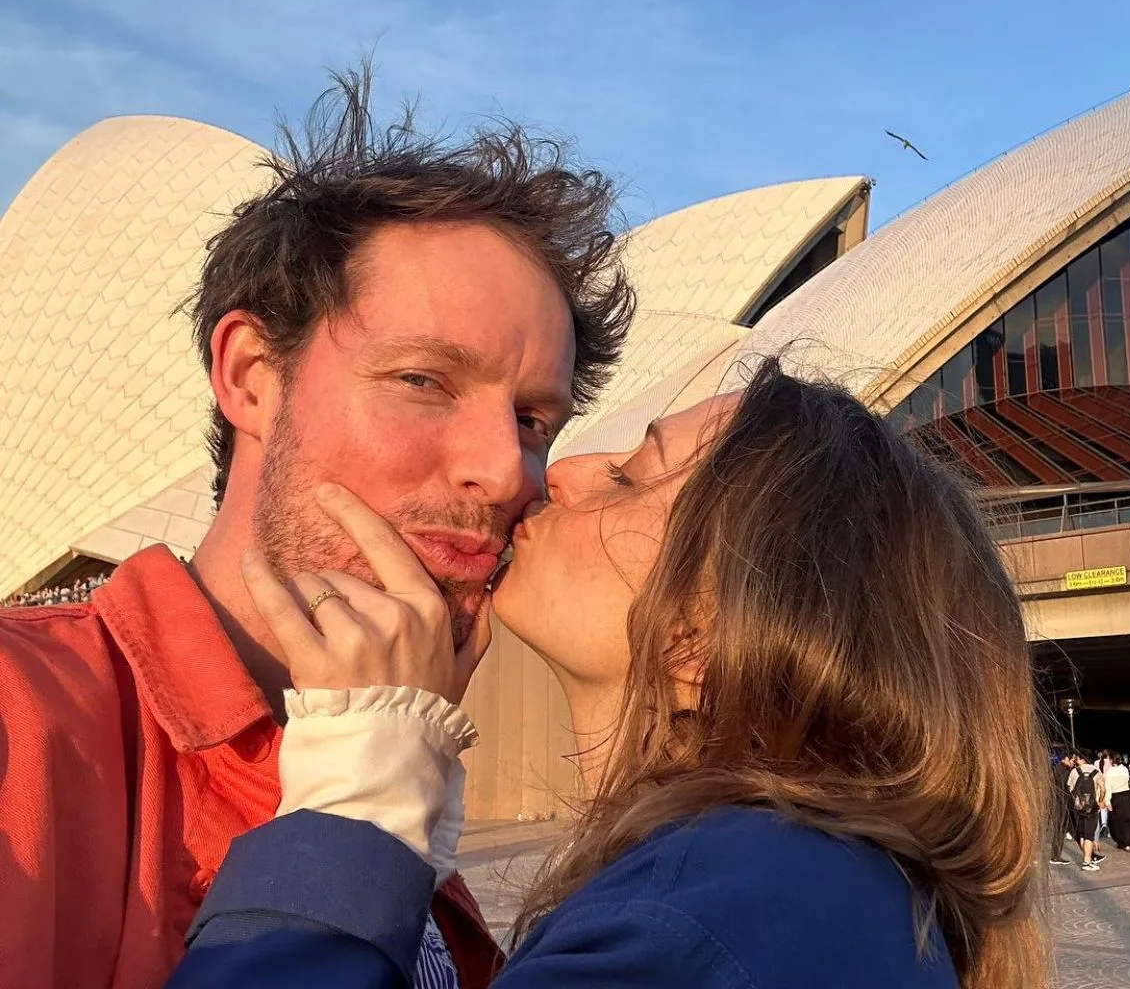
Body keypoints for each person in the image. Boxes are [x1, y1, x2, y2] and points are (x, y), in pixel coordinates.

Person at [0, 70, 635, 989]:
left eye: (535, 419)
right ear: (252, 376)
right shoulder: (26, 722)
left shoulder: (415, 785)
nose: (504, 472)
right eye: (423, 381)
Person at [166, 361, 1051, 987]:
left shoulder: (709, 922)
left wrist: (357, 800)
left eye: (631, 477)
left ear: (703, 642)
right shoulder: (821, 895)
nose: (560, 471)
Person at [1068, 749, 1107, 873]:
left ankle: (1086, 856)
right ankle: (1087, 861)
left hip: (1078, 807)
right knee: (1089, 835)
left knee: (1082, 834)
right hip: (1092, 807)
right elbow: (1103, 788)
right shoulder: (1096, 771)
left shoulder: (1074, 772)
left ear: (1082, 759)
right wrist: (1101, 800)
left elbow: (1070, 788)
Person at [1102, 750, 1130, 852]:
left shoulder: (1110, 772)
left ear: (1111, 760)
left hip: (1116, 798)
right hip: (1127, 796)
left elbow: (1108, 788)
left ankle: (1123, 842)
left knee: (1118, 822)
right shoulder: (1125, 769)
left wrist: (1107, 801)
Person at [1050, 750, 1078, 865]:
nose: (1074, 763)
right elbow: (1064, 787)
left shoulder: (1062, 769)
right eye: (1073, 760)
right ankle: (1055, 856)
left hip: (1063, 804)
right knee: (1060, 829)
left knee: (1068, 829)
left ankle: (1089, 855)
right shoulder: (1061, 770)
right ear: (1066, 758)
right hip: (1061, 804)